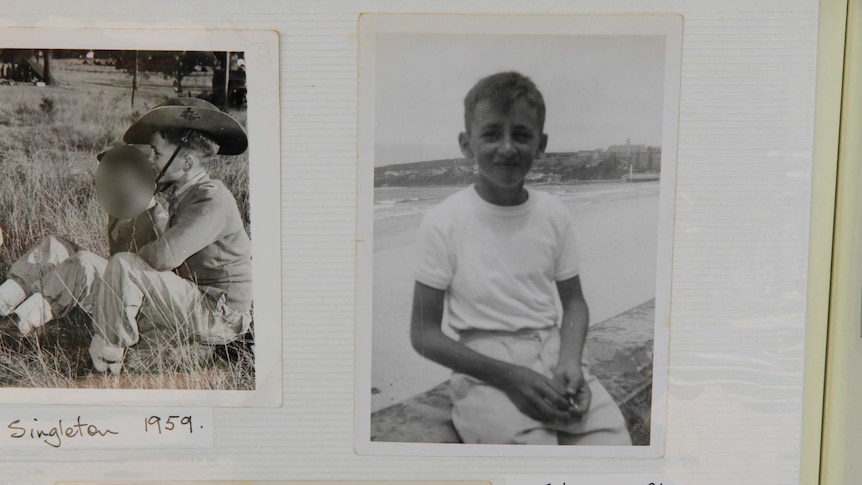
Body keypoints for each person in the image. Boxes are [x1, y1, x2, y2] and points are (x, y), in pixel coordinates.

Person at [409, 71, 631, 445]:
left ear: (541, 144)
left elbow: (574, 303)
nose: (508, 148)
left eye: (522, 135)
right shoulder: (443, 221)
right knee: (526, 457)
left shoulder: (553, 213)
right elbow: (424, 334)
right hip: (485, 365)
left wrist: (571, 362)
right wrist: (511, 378)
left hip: (553, 354)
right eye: (492, 134)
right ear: (466, 144)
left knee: (614, 446)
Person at [87, 97, 252, 374]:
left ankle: (106, 359)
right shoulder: (184, 196)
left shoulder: (211, 200)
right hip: (197, 300)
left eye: (156, 153)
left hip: (220, 314)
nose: (149, 160)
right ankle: (201, 354)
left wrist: (130, 264)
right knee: (140, 361)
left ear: (186, 162)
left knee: (126, 267)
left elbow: (161, 257)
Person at [0, 145, 168, 337]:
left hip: (138, 308)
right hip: (117, 286)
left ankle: (20, 322)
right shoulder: (121, 213)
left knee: (85, 263)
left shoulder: (159, 222)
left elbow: (157, 289)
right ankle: (4, 301)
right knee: (54, 246)